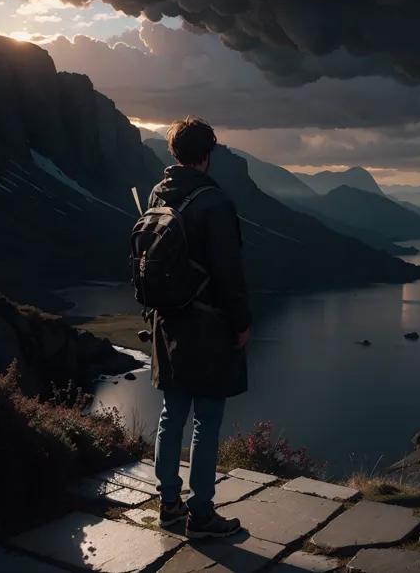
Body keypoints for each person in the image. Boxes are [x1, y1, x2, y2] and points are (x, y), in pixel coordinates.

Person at [148, 116, 251, 537]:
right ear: (207, 156)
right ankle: (202, 514)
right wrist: (241, 323)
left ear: (174, 152)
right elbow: (229, 272)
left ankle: (168, 505)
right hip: (207, 326)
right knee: (207, 420)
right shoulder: (214, 202)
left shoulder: (158, 194)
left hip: (165, 322)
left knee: (172, 414)